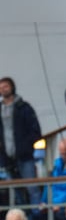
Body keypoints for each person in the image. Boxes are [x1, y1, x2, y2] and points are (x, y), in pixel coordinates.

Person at [0, 76, 42, 208]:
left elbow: (35, 130)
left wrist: (26, 146)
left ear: (12, 87)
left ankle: (37, 215)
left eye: (5, 86)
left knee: (32, 187)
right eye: (1, 87)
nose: (3, 89)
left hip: (24, 156)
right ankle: (20, 215)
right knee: (13, 190)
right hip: (6, 157)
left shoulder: (24, 107)